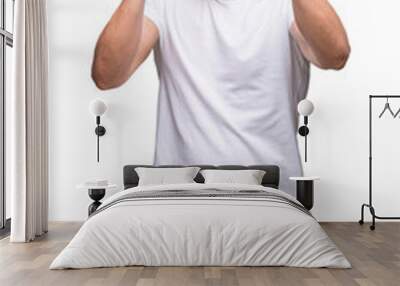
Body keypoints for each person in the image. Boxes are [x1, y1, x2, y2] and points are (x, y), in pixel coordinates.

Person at [91, 0, 350, 194]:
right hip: (181, 194)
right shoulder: (165, 4)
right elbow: (107, 75)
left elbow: (335, 55)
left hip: (270, 191)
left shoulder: (285, 5)